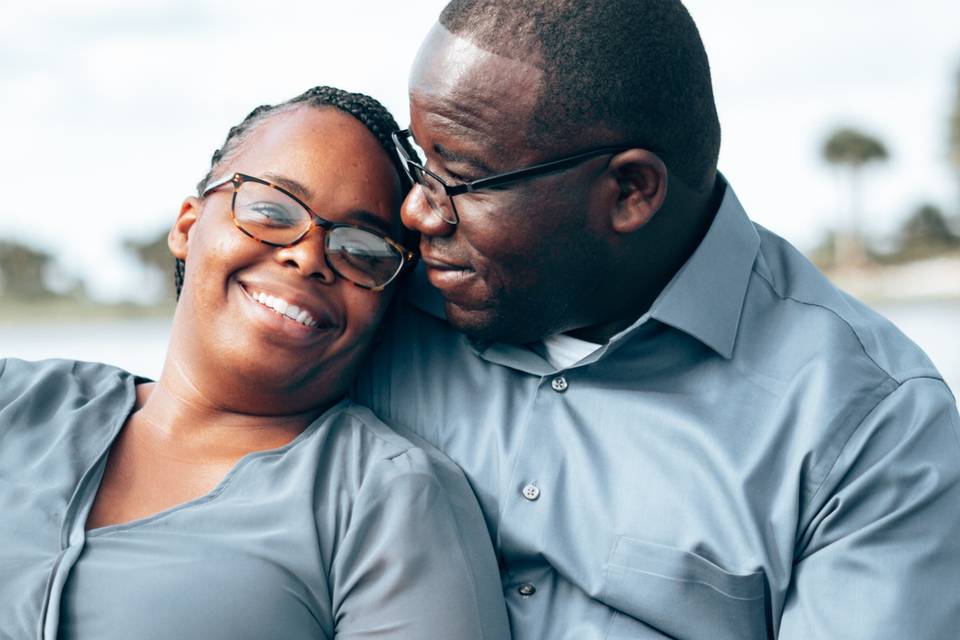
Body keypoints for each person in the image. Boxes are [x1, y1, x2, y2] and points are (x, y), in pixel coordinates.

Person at [353, 2, 960, 639]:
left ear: (631, 192)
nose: (419, 212)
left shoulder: (872, 430)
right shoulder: (370, 302)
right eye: (418, 159)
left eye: (462, 179)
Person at [0, 86, 509, 639]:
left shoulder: (387, 498)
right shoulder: (17, 397)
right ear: (188, 227)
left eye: (362, 249)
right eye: (271, 209)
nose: (308, 255)